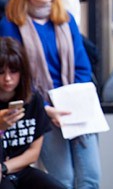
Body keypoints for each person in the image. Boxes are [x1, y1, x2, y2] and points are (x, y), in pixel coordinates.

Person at [0, 0, 100, 189]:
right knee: (62, 179)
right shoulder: (10, 24)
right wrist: (46, 108)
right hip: (40, 107)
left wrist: (72, 102)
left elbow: (82, 67)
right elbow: (16, 75)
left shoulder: (67, 20)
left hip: (74, 106)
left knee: (90, 177)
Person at [0, 37, 64, 189]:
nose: (7, 78)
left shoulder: (33, 100)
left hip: (18, 169)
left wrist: (4, 167)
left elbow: (33, 153)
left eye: (13, 71)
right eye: (1, 72)